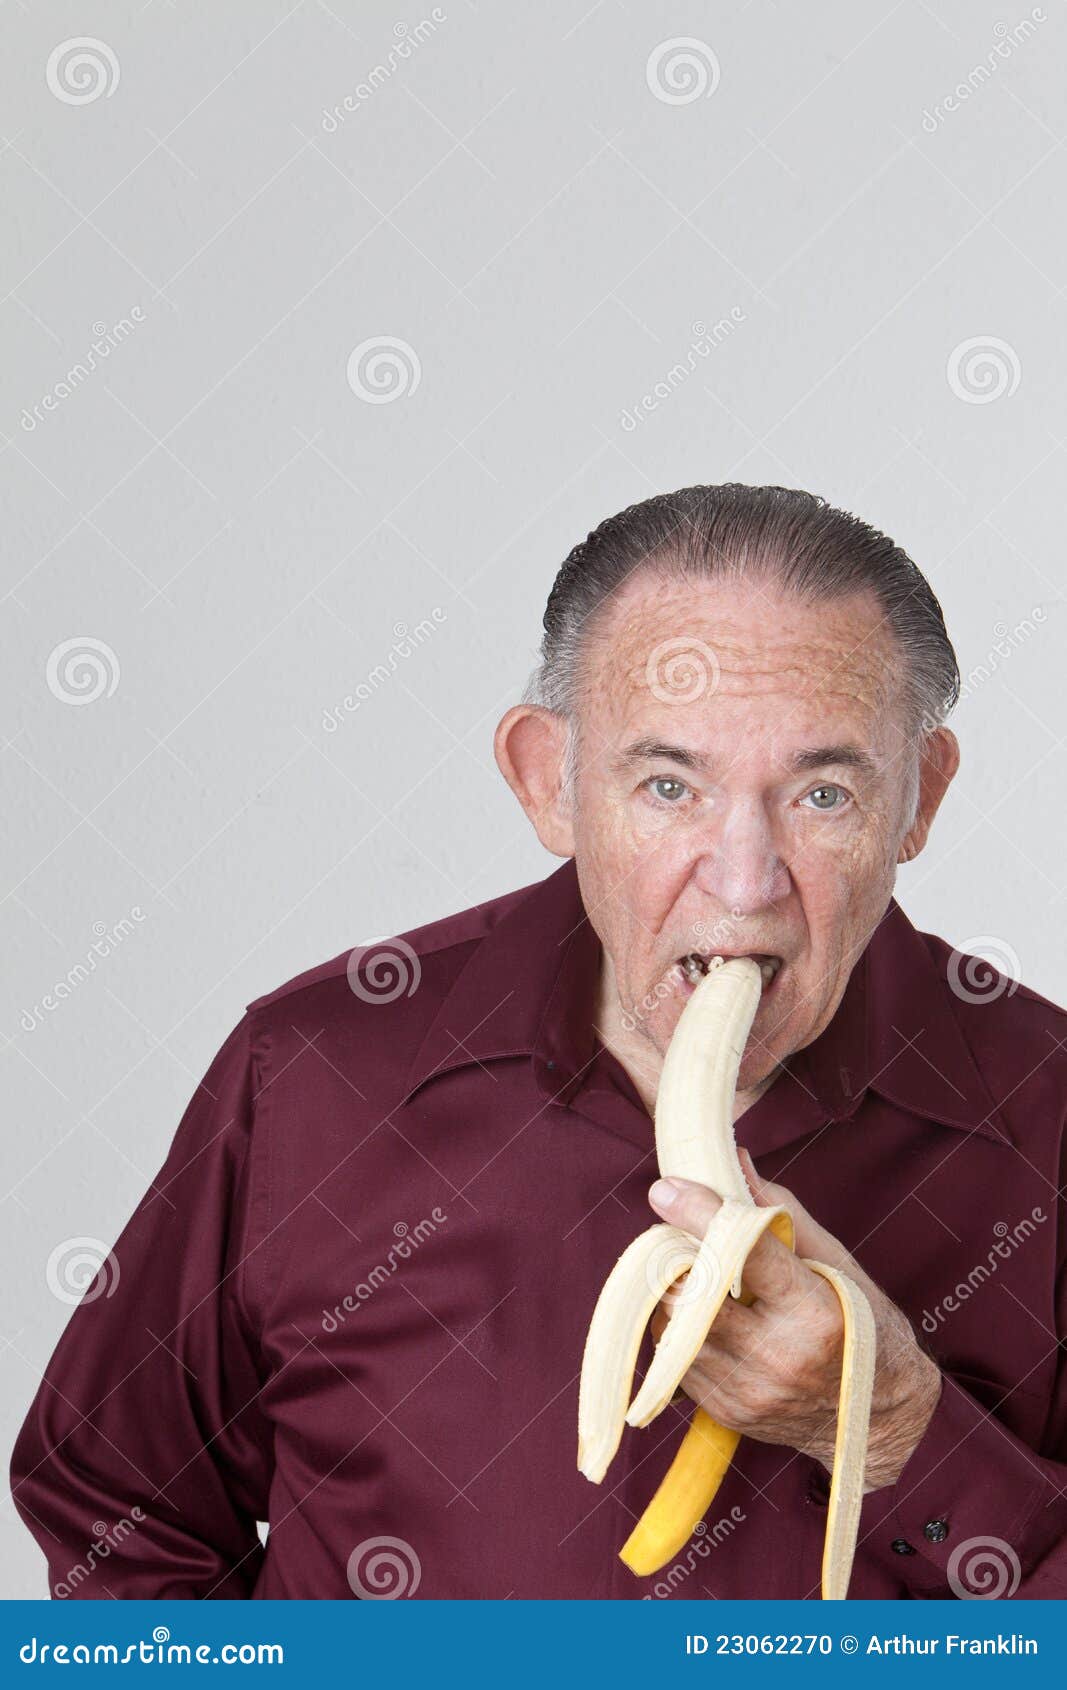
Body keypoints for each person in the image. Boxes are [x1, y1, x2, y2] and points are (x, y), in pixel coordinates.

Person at [11, 484, 1067, 1599]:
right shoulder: (310, 1077)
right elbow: (114, 1516)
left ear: (918, 798)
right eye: (669, 785)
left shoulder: (1042, 1115)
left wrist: (896, 1426)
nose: (744, 881)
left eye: (820, 792)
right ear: (545, 781)